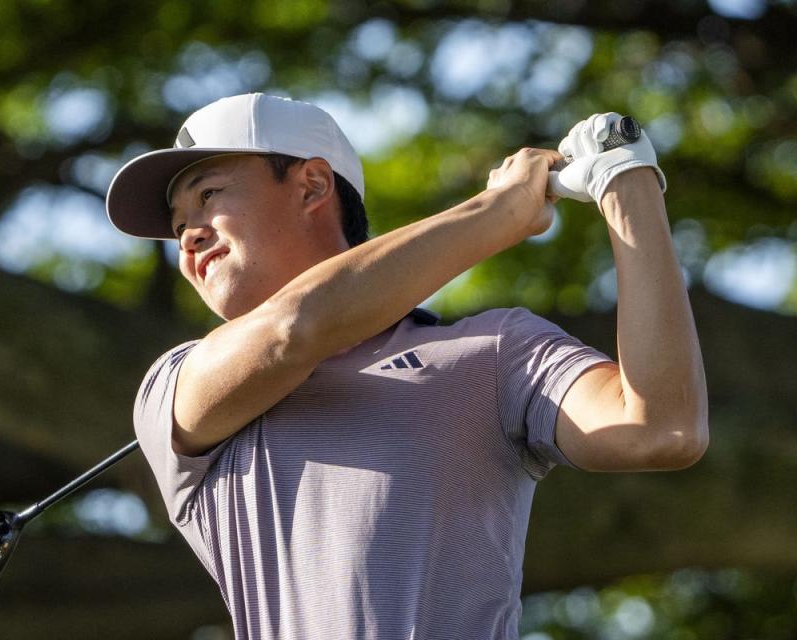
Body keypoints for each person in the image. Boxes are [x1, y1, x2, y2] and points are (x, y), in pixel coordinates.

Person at [105, 93, 708, 639]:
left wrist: (626, 182)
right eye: (179, 224)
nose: (187, 236)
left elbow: (661, 429)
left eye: (208, 195)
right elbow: (292, 330)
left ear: (313, 184)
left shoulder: (497, 348)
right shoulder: (175, 383)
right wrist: (498, 213)